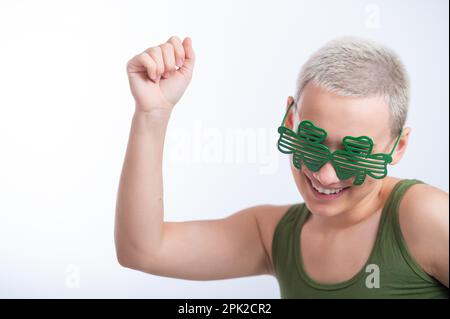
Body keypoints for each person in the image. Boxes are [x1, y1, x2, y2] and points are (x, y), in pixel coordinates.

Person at [114, 35, 449, 298]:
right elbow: (142, 250)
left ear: (398, 146)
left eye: (353, 156)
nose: (325, 175)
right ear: (291, 119)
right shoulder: (274, 235)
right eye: (311, 142)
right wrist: (152, 115)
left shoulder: (424, 217)